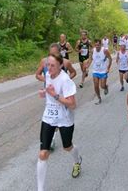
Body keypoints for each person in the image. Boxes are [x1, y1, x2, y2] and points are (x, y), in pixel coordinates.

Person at [36, 54, 82, 191]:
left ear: (61, 66)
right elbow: (50, 90)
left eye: (52, 65)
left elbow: (72, 104)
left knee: (67, 147)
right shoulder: (49, 75)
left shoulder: (65, 80)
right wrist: (45, 92)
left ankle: (77, 160)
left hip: (64, 118)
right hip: (49, 117)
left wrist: (55, 95)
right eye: (47, 65)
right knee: (43, 153)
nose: (48, 68)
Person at [35, 43, 77, 151]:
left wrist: (65, 82)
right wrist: (47, 84)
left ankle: (76, 159)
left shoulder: (66, 62)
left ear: (59, 53)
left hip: (63, 96)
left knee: (67, 146)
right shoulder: (44, 62)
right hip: (50, 93)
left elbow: (73, 73)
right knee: (51, 120)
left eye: (54, 53)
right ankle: (51, 139)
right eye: (50, 53)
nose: (52, 56)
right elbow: (38, 75)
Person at [85, 39, 112, 105]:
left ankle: (106, 87)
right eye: (96, 45)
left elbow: (110, 59)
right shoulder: (92, 51)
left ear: (101, 45)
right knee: (96, 85)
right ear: (94, 45)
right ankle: (99, 98)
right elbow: (91, 59)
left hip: (103, 71)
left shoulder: (105, 51)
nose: (97, 46)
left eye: (98, 45)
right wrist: (87, 66)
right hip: (95, 71)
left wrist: (108, 68)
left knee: (102, 86)